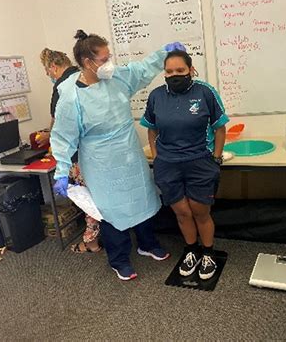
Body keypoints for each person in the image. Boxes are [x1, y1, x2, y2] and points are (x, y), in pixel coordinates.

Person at [51, 29, 185, 280]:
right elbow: (63, 136)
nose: (109, 63)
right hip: (101, 162)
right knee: (111, 211)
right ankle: (119, 259)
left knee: (142, 199)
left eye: (109, 56)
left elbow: (142, 70)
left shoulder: (117, 78)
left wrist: (164, 53)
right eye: (103, 59)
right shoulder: (72, 98)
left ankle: (147, 244)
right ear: (87, 63)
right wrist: (61, 170)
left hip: (129, 154)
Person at [140, 50, 229, 280]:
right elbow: (151, 129)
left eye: (180, 70)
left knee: (200, 212)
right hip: (168, 165)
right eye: (169, 71)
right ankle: (191, 251)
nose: (174, 75)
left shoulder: (205, 92)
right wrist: (158, 156)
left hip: (200, 162)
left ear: (191, 70)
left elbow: (220, 127)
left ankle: (207, 253)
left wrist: (216, 158)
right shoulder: (156, 96)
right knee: (181, 212)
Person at [39, 48, 101, 254]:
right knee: (101, 196)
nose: (49, 76)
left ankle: (91, 242)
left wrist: (49, 137)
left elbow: (60, 125)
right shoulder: (88, 76)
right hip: (101, 150)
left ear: (53, 67)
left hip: (80, 156)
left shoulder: (62, 87)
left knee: (87, 199)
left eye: (48, 72)